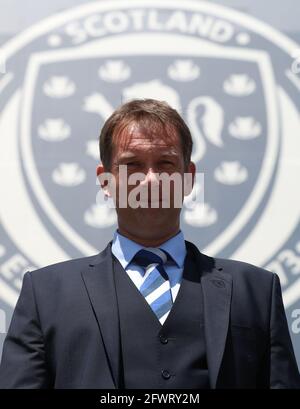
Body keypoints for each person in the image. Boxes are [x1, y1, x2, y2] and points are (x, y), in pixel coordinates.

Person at [0, 99, 299, 389]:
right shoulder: (45, 295)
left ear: (189, 178)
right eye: (133, 165)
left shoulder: (257, 292)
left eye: (165, 164)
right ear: (106, 181)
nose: (151, 180)